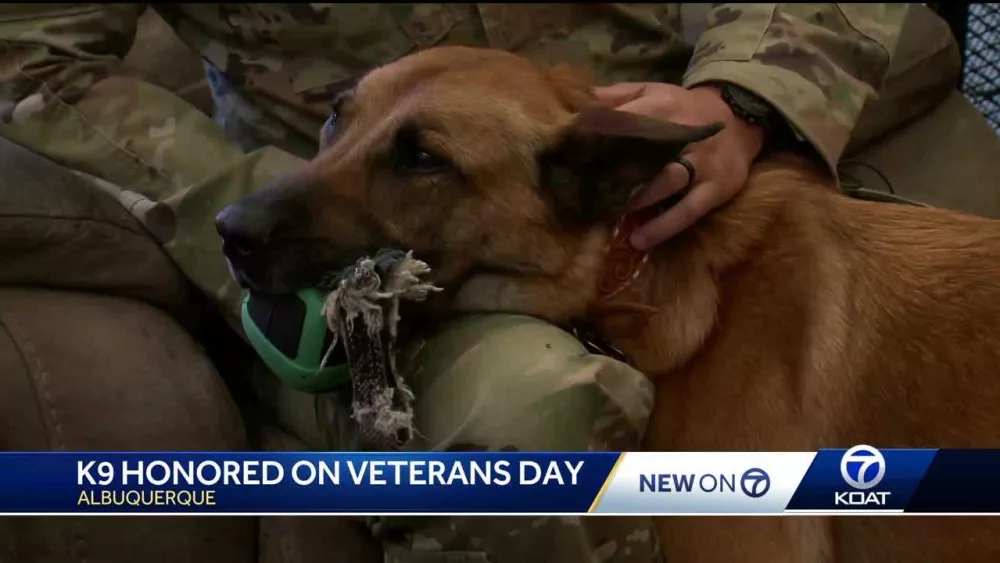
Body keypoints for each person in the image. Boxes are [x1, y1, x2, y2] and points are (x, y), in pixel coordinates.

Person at [0, 4, 910, 561]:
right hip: (364, 293)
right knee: (530, 421)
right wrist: (266, 203)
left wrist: (745, 96)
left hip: (670, 186)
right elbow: (20, 49)